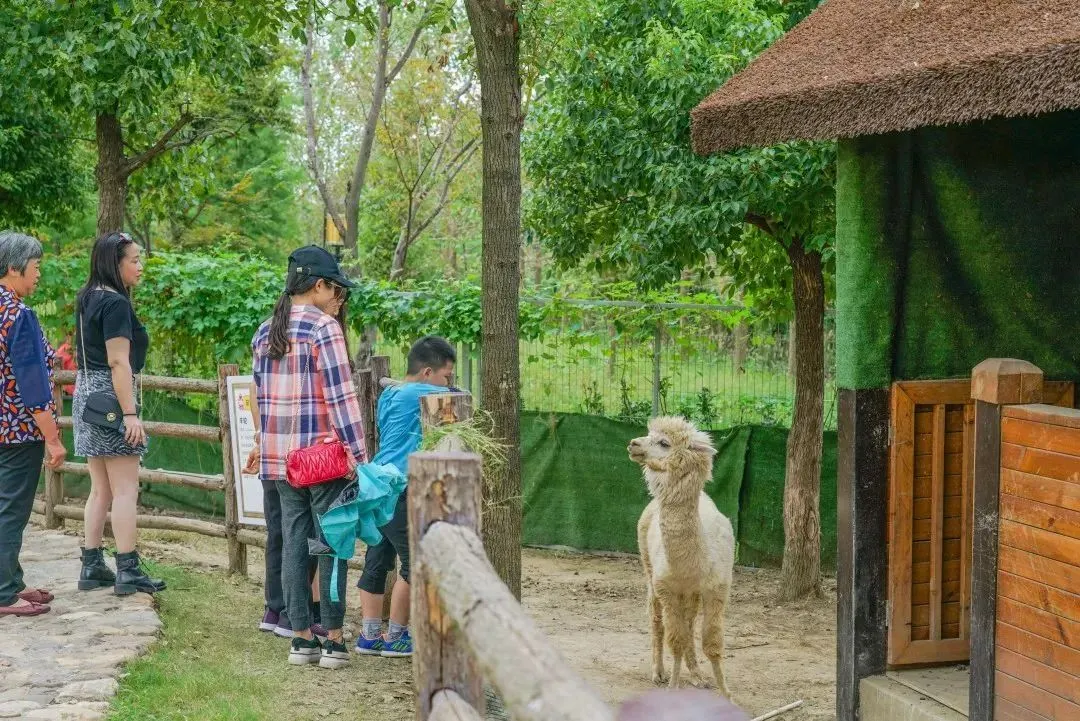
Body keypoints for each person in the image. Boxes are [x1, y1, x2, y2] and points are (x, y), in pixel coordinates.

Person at [249, 245, 367, 670]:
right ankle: (332, 639)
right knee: (332, 544)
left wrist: (263, 445)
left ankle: (300, 638)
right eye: (335, 288)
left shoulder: (265, 331)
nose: (337, 296)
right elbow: (341, 397)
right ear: (318, 285)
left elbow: (259, 398)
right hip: (322, 460)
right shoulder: (324, 328)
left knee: (294, 544)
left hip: (281, 462)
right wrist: (359, 456)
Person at [73, 232, 165, 596]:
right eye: (134, 260)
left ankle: (92, 564)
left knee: (100, 489)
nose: (140, 267)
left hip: (86, 394)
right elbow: (118, 362)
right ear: (116, 263)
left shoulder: (87, 297)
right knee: (126, 489)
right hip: (112, 397)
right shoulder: (114, 303)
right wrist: (130, 414)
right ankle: (128, 568)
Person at [354, 335, 456, 658]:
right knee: (415, 562)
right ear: (427, 373)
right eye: (446, 375)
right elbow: (461, 400)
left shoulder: (391, 393)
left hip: (378, 484)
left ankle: (370, 634)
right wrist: (452, 390)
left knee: (377, 558)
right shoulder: (425, 393)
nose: (449, 382)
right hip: (402, 487)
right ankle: (397, 635)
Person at [0, 231, 66, 617]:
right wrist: (53, 439)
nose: (38, 273)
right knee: (11, 510)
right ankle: (4, 592)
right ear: (14, 267)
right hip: (17, 431)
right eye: (35, 265)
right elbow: (33, 385)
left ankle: (11, 579)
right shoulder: (18, 315)